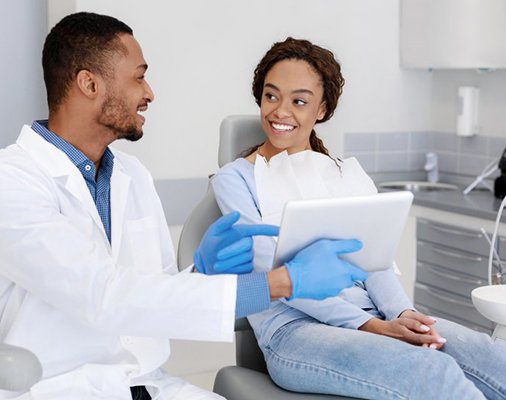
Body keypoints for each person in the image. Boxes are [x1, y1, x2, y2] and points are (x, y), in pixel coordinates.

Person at [0, 14, 368, 400]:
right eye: (138, 77)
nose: (150, 93)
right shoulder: (13, 181)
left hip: (148, 384)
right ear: (89, 83)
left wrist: (200, 273)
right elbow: (104, 295)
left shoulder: (132, 175)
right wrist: (281, 283)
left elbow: (152, 295)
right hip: (59, 389)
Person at [211, 37, 506, 400]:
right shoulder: (235, 180)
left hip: (374, 316)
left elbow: (375, 261)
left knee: (491, 356)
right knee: (431, 372)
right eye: (271, 96)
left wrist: (402, 313)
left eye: (299, 101)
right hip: (295, 332)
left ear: (321, 110)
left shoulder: (342, 174)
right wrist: (371, 326)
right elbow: (271, 275)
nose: (280, 112)